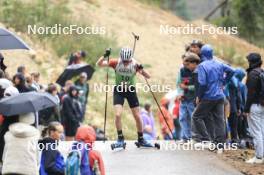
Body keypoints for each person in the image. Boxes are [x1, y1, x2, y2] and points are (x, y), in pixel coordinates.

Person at [96, 47, 151, 147]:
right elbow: (99, 64)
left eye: (127, 61)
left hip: (131, 91)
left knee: (137, 116)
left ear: (131, 59)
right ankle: (120, 138)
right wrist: (105, 56)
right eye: (124, 61)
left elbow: (148, 76)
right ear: (121, 58)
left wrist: (142, 69)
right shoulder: (116, 62)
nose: (125, 63)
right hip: (119, 90)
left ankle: (141, 139)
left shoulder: (134, 64)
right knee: (117, 115)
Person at [192, 44, 234, 148]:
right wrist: (224, 82)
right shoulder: (219, 64)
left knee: (196, 116)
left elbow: (202, 84)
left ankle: (206, 139)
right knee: (219, 120)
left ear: (202, 54)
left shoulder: (202, 66)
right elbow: (232, 71)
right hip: (220, 96)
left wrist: (199, 97)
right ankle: (220, 144)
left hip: (208, 97)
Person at [244, 53, 264, 164]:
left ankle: (258, 157)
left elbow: (250, 93)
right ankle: (262, 155)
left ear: (251, 62)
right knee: (262, 130)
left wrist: (246, 108)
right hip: (262, 105)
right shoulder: (262, 72)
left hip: (254, 106)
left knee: (256, 132)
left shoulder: (253, 74)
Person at [177, 53, 199, 142]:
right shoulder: (182, 70)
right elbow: (180, 83)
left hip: (192, 99)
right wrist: (181, 93)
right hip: (184, 98)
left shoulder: (196, 72)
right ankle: (185, 137)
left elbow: (196, 86)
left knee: (191, 118)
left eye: (187, 64)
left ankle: (193, 137)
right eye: (184, 64)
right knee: (182, 118)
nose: (185, 66)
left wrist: (187, 87)